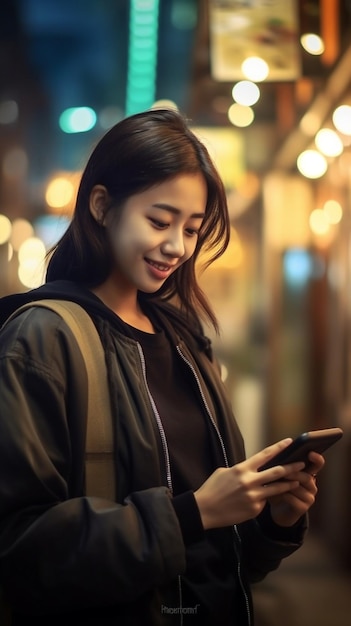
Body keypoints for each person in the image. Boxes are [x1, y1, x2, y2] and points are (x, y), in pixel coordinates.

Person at [0, 108, 324, 626]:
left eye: (192, 229)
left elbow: (219, 564)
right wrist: (193, 513)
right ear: (102, 206)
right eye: (159, 220)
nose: (177, 246)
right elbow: (20, 547)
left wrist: (273, 522)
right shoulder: (43, 338)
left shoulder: (184, 340)